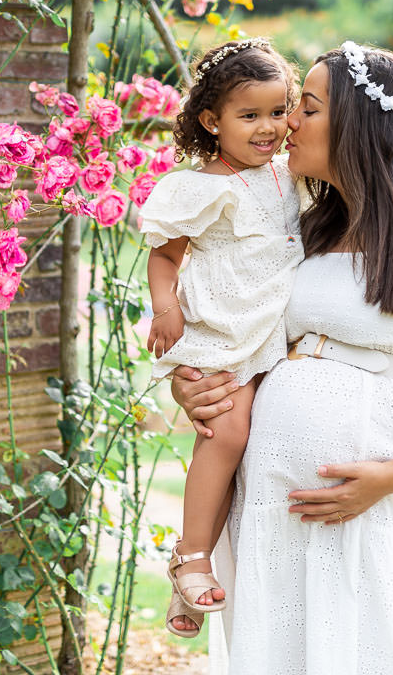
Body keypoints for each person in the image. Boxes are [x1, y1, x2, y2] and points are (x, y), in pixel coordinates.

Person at [170, 41, 393, 673]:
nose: (286, 123)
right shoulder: (308, 228)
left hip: (373, 500)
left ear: (361, 123)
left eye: (305, 106)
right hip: (273, 501)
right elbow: (241, 331)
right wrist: (196, 385)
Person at [139, 38, 303, 638]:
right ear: (212, 121)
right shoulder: (204, 186)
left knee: (250, 463)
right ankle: (193, 559)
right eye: (249, 115)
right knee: (226, 435)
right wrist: (165, 308)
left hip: (271, 333)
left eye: (279, 111)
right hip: (222, 332)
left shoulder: (291, 174)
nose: (270, 128)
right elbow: (164, 256)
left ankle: (186, 581)